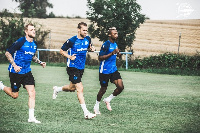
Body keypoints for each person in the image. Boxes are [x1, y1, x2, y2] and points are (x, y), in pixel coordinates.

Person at [0, 23, 46, 123]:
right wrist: (15, 66)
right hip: (15, 72)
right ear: (26, 31)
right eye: (31, 29)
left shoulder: (34, 44)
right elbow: (8, 53)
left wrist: (40, 62)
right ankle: (1, 86)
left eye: (34, 29)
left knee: (32, 92)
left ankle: (31, 118)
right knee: (14, 95)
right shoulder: (21, 41)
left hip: (27, 72)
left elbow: (32, 56)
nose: (34, 31)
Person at [52, 22, 96, 119]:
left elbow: (88, 48)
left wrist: (91, 49)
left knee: (72, 88)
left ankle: (57, 89)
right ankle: (86, 113)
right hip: (72, 67)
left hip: (81, 68)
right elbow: (61, 51)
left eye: (86, 30)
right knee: (80, 88)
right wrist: (69, 56)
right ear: (78, 30)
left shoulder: (88, 39)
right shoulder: (72, 40)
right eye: (83, 30)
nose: (85, 32)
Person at [93, 27, 124, 115]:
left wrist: (119, 54)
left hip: (113, 69)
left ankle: (108, 99)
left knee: (121, 87)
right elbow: (100, 58)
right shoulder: (106, 44)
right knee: (103, 89)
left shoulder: (115, 44)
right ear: (110, 35)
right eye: (114, 34)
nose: (116, 35)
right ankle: (96, 106)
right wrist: (112, 53)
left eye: (117, 33)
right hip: (105, 71)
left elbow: (117, 56)